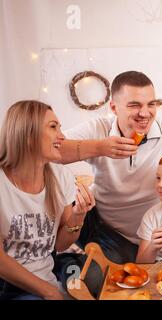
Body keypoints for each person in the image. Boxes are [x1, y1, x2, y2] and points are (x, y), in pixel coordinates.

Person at [58, 71, 162, 264]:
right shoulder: (97, 129)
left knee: (132, 269)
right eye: (134, 105)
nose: (145, 113)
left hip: (151, 233)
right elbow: (48, 148)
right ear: (113, 107)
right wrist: (100, 147)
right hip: (104, 226)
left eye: (151, 104)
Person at [0, 100, 94, 300]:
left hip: (51, 273)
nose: (62, 136)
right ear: (28, 137)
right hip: (11, 285)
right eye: (53, 127)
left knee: (94, 276)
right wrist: (49, 292)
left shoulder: (60, 176)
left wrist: (79, 215)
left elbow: (60, 244)